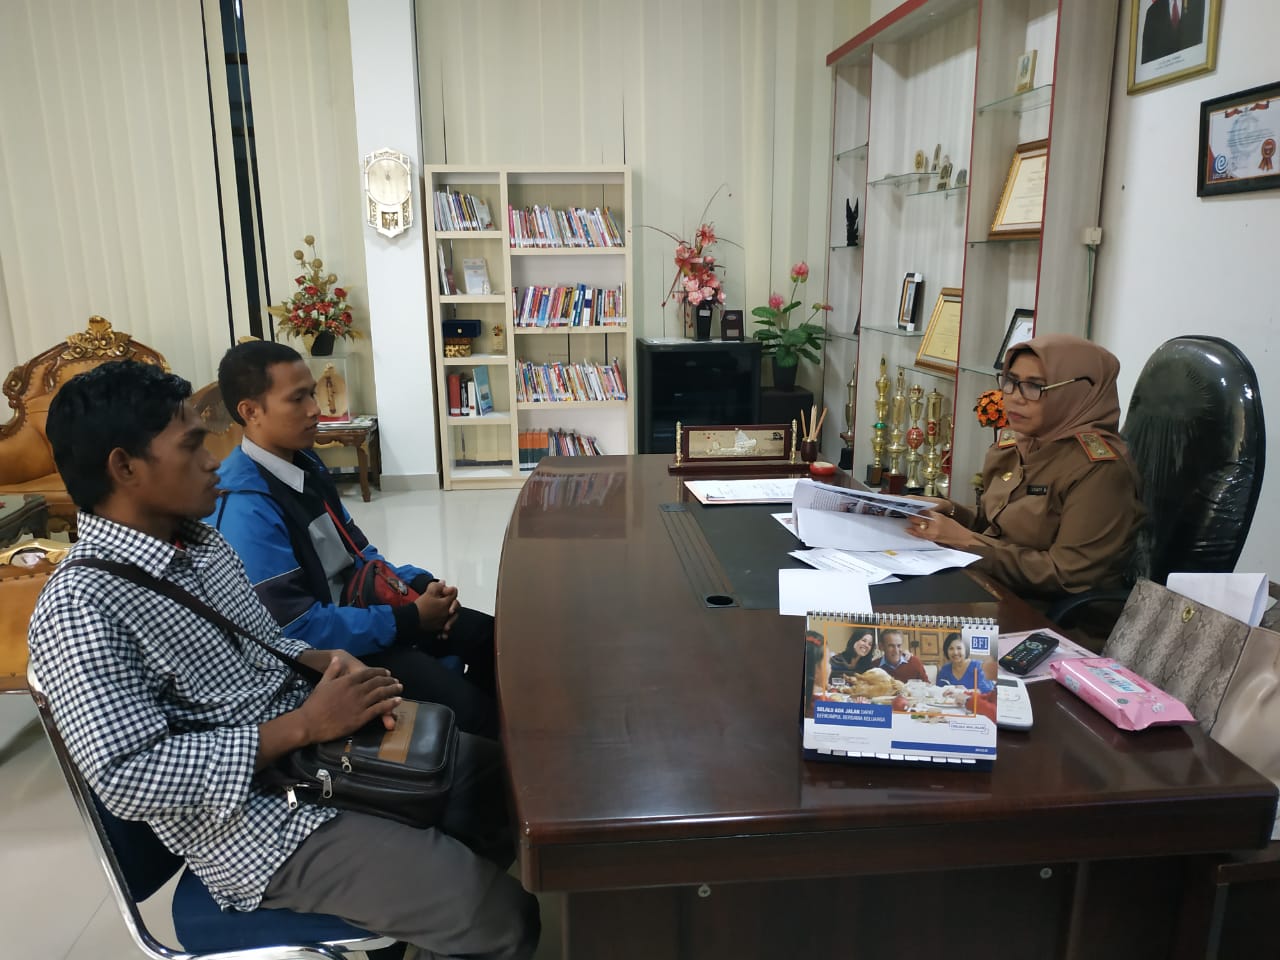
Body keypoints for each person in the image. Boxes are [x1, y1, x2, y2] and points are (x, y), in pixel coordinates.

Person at [27, 361, 538, 958]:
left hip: (325, 759)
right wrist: (303, 725)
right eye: (191, 446)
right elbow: (128, 778)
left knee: (508, 789)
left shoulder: (200, 543)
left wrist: (326, 661)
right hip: (257, 825)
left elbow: (265, 641)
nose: (212, 461)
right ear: (125, 467)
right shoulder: (81, 606)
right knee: (502, 918)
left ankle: (420, 917)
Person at [208, 340, 498, 738]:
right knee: (471, 711)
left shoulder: (304, 464)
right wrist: (409, 620)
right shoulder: (246, 506)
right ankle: (484, 754)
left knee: (490, 637)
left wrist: (417, 584)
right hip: (328, 659)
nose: (315, 409)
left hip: (361, 618)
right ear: (250, 412)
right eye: (297, 398)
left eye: (312, 393)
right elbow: (294, 630)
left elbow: (359, 552)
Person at [905, 334, 1143, 602]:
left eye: (1034, 386)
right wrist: (947, 509)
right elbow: (997, 524)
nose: (1015, 397)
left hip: (1050, 614)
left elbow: (1065, 574)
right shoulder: (1017, 444)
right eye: (1011, 382)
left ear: (1076, 392)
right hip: (992, 587)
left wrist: (966, 542)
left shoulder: (1100, 470)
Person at [1142, 0, 1205, 65]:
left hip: (1194, 65)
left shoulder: (1198, 2)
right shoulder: (1153, 11)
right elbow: (1147, 56)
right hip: (1165, 69)